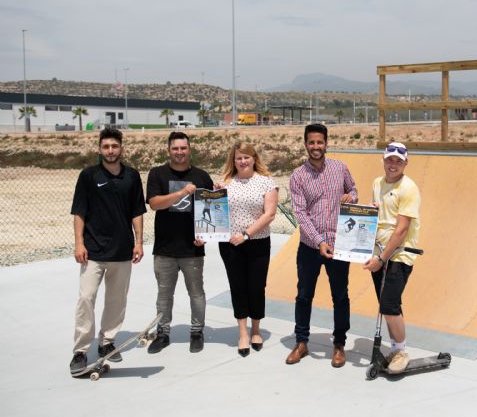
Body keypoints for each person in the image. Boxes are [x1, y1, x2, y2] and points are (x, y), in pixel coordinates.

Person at [69, 127, 146, 375]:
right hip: (93, 251)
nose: (110, 151)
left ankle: (106, 343)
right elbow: (79, 212)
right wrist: (79, 243)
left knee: (116, 300)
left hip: (122, 251)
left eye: (114, 146)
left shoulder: (132, 176)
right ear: (100, 149)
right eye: (106, 147)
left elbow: (137, 212)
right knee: (86, 299)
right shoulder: (88, 175)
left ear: (121, 148)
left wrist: (139, 242)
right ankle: (80, 350)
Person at [286, 124, 358, 368]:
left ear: (327, 143)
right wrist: (319, 242)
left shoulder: (340, 168)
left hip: (339, 245)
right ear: (305, 144)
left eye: (320, 142)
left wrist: (352, 197)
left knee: (340, 296)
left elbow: (354, 189)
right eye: (311, 142)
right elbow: (301, 214)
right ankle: (301, 342)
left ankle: (339, 344)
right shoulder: (298, 176)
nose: (316, 147)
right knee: (304, 295)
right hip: (310, 246)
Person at [146, 131, 213, 354]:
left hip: (192, 248)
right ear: (169, 150)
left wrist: (206, 236)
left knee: (197, 293)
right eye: (175, 148)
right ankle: (162, 333)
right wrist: (182, 192)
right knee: (164, 294)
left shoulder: (202, 176)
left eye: (183, 148)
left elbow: (212, 210)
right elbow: (155, 203)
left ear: (189, 149)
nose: (179, 152)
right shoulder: (157, 174)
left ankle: (197, 332)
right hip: (165, 248)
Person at [363, 142, 421, 374]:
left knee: (388, 305)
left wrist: (382, 258)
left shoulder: (409, 188)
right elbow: (377, 214)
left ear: (405, 163)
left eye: (398, 161)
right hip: (379, 252)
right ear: (383, 160)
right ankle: (396, 348)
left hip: (399, 254)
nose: (393, 164)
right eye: (390, 160)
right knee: (388, 304)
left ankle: (401, 351)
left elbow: (401, 230)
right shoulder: (377, 183)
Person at [217, 142, 278, 357]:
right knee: (238, 287)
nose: (243, 161)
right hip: (230, 244)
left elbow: (269, 214)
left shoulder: (266, 183)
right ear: (233, 161)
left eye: (246, 157)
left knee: (256, 286)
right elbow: (215, 212)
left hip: (257, 242)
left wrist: (246, 234)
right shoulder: (225, 183)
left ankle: (256, 330)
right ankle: (242, 332)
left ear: (254, 159)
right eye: (238, 158)